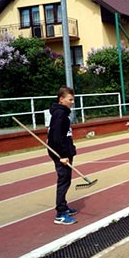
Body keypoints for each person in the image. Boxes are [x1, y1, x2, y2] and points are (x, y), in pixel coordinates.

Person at [48, 86, 78, 225]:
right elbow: (55, 137)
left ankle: (64, 207)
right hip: (61, 154)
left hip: (65, 152)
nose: (72, 102)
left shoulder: (63, 113)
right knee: (63, 181)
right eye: (70, 99)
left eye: (73, 99)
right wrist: (62, 155)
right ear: (61, 99)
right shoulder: (59, 114)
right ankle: (60, 213)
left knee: (66, 180)